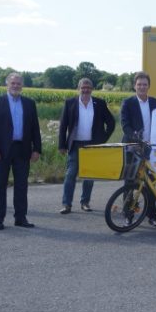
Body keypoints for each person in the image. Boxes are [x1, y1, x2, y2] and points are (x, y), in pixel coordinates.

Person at [0, 73, 42, 230]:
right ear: (7, 85)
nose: (15, 86)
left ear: (22, 85)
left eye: (18, 83)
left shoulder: (29, 103)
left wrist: (37, 149)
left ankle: (20, 218)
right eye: (13, 83)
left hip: (22, 149)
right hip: (1, 151)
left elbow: (35, 128)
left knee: (22, 186)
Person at [58, 78, 115, 214]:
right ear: (79, 88)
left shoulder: (99, 103)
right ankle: (66, 204)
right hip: (75, 145)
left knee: (89, 176)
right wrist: (62, 145)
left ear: (92, 89)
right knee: (70, 174)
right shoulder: (70, 103)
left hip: (92, 145)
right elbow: (63, 126)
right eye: (83, 87)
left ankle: (85, 202)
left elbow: (111, 122)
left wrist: (102, 139)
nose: (85, 90)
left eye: (88, 87)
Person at [120, 72, 156, 227]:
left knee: (151, 183)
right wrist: (136, 138)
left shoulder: (155, 102)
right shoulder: (127, 102)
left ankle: (152, 215)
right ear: (134, 86)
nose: (142, 87)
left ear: (149, 86)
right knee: (130, 182)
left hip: (149, 148)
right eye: (139, 84)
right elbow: (125, 125)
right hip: (133, 148)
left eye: (145, 84)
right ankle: (128, 214)